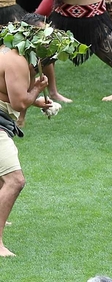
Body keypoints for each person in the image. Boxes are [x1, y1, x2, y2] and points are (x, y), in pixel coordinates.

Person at [0, 18, 54, 257]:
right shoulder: (17, 61)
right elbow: (19, 101)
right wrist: (38, 89)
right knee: (14, 180)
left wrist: (38, 101)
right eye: (44, 37)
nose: (48, 43)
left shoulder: (8, 53)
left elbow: (10, 93)